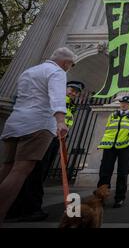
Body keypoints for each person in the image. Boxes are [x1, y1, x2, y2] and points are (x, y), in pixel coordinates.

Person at [0, 47, 75, 224]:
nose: (69, 68)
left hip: (15, 122)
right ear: (65, 63)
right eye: (70, 65)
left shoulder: (29, 71)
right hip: (37, 124)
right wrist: (60, 121)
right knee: (20, 171)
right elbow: (57, 98)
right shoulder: (57, 72)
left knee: (7, 168)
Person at [5, 80, 85, 222]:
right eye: (71, 89)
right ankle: (26, 209)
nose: (73, 93)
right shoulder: (57, 99)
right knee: (35, 172)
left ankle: (27, 207)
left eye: (76, 91)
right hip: (47, 136)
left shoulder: (69, 104)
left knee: (38, 173)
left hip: (55, 139)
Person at [97, 96, 129, 208]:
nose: (123, 104)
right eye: (122, 103)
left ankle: (119, 198)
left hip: (125, 145)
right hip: (110, 145)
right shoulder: (113, 115)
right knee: (105, 172)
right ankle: (101, 197)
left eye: (126, 103)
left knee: (122, 172)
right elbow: (107, 128)